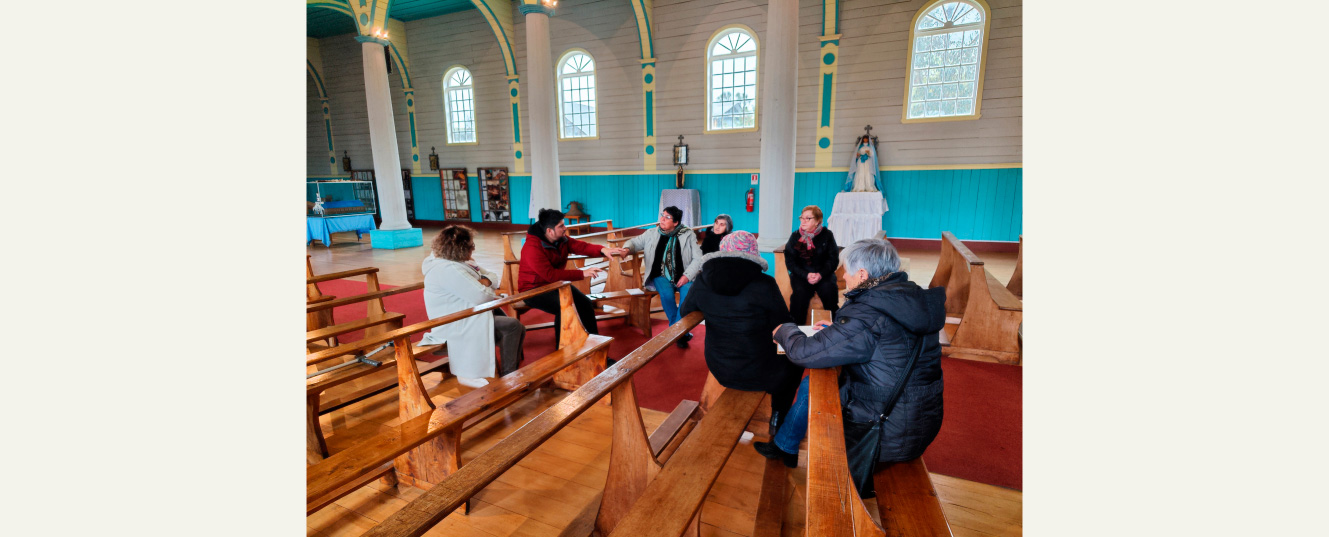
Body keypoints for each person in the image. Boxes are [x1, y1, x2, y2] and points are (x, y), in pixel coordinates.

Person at [754, 239, 946, 474]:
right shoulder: (908, 298)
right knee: (811, 385)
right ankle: (786, 445)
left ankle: (793, 451)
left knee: (816, 383)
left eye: (848, 271)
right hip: (917, 414)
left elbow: (803, 353)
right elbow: (886, 341)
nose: (845, 277)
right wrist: (838, 329)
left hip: (885, 428)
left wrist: (785, 330)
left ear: (863, 274)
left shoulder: (869, 312)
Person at [680, 231, 803, 432]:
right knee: (795, 361)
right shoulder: (764, 284)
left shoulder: (703, 281)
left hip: (719, 365)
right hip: (758, 371)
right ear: (752, 254)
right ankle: (777, 417)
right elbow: (782, 323)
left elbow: (686, 311)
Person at [420, 226, 527, 388]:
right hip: (454, 322)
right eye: (471, 246)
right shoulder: (447, 269)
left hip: (467, 315)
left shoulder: (460, 263)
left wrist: (484, 282)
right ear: (461, 248)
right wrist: (486, 285)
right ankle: (508, 379)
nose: (473, 249)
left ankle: (510, 373)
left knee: (515, 327)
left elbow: (493, 276)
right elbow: (482, 296)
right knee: (512, 326)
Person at [519, 208, 629, 343]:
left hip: (553, 285)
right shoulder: (532, 247)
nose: (565, 228)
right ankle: (563, 351)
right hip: (533, 290)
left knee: (585, 304)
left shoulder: (560, 239)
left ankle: (595, 345)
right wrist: (583, 273)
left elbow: (580, 247)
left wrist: (602, 250)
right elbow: (550, 275)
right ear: (549, 231)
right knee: (565, 308)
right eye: (561, 226)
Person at [621, 206, 704, 347]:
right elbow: (635, 242)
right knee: (666, 295)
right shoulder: (652, 233)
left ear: (676, 222)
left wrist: (687, 276)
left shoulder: (688, 234)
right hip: (660, 274)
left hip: (684, 275)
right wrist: (626, 248)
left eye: (667, 217)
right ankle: (680, 333)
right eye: (662, 215)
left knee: (687, 298)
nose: (662, 219)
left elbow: (698, 258)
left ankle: (676, 332)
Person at [784, 205, 840, 324]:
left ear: (817, 221)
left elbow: (833, 259)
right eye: (802, 218)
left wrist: (820, 274)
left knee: (829, 291)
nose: (803, 221)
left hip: (824, 274)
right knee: (799, 296)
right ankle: (796, 331)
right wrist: (806, 275)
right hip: (802, 275)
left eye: (808, 218)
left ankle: (835, 327)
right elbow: (790, 262)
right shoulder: (795, 236)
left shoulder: (827, 235)